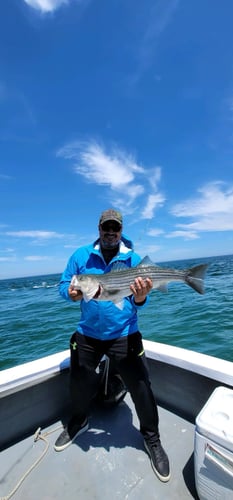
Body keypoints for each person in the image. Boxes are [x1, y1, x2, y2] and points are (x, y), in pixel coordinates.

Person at [54, 209, 170, 482]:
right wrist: (70, 293)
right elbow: (63, 284)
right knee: (79, 382)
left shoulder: (133, 259)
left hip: (124, 333)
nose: (110, 232)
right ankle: (79, 421)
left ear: (120, 230)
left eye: (114, 228)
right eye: (106, 227)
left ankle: (152, 439)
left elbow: (142, 301)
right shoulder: (80, 256)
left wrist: (141, 297)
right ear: (98, 228)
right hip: (89, 333)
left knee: (141, 387)